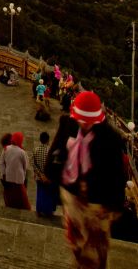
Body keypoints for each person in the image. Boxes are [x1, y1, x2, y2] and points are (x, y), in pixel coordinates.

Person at [59, 91, 126, 269]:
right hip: (73, 197)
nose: (84, 123)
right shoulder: (69, 124)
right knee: (76, 242)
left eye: (88, 120)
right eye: (81, 119)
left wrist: (116, 205)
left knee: (97, 249)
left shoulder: (111, 138)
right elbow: (59, 152)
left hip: (98, 203)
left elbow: (118, 175)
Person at [0, 131, 31, 210]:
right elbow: (26, 165)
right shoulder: (22, 152)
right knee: (20, 197)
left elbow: (2, 162)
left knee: (9, 196)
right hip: (19, 179)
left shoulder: (6, 149)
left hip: (8, 178)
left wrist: (4, 173)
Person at [33, 131, 56, 217]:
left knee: (39, 193)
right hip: (48, 177)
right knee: (48, 194)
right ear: (48, 140)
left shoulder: (35, 150)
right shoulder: (50, 151)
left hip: (39, 177)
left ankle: (39, 210)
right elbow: (52, 165)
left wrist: (39, 174)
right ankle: (48, 211)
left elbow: (33, 163)